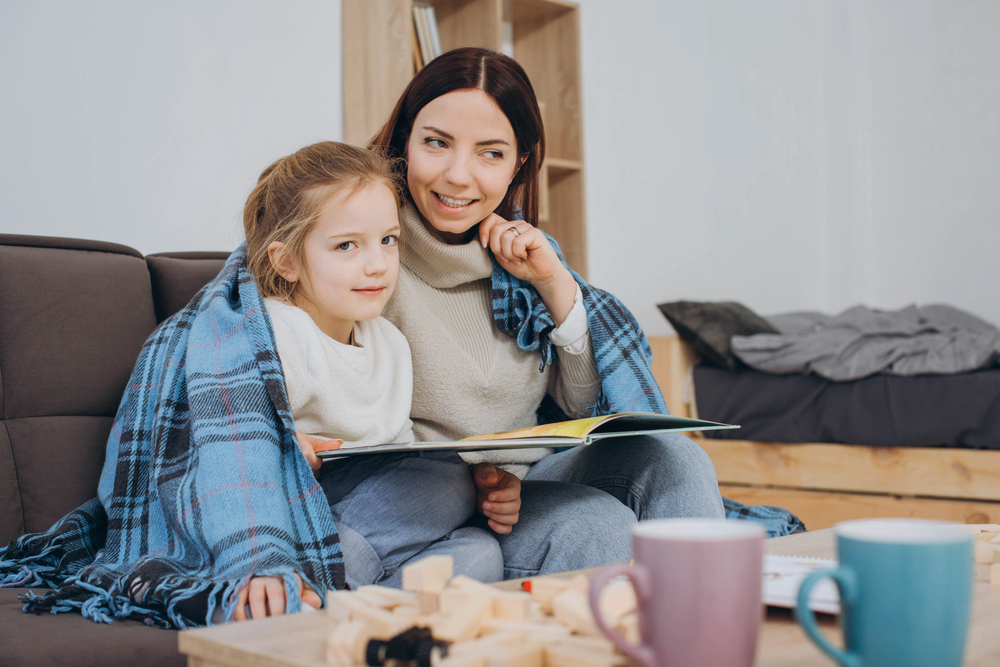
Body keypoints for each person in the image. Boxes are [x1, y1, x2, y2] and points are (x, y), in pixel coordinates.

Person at [369, 47, 728, 580]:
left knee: (679, 458)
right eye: (437, 143)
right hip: (426, 503)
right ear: (404, 142)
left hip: (524, 485)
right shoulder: (363, 250)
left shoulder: (520, 256)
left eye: (490, 153)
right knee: (594, 523)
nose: (458, 176)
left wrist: (555, 284)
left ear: (518, 164)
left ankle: (707, 635)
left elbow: (577, 407)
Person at [244, 141, 503, 609]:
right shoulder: (278, 331)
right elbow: (229, 443)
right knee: (445, 480)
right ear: (285, 262)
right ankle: (324, 580)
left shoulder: (389, 344)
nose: (378, 264)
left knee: (480, 554)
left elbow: (400, 456)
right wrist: (282, 444)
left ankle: (338, 609)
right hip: (297, 513)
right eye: (347, 245)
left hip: (369, 509)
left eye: (388, 240)